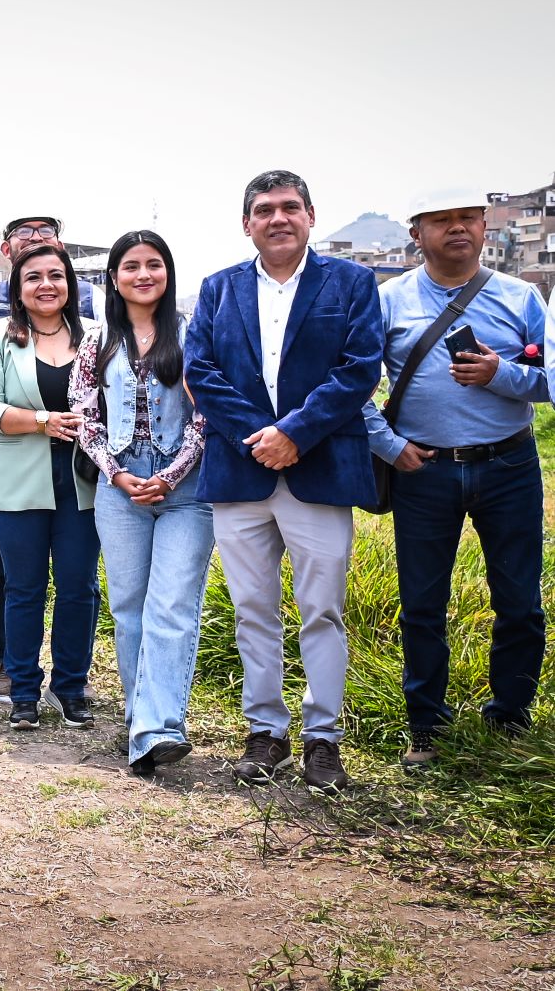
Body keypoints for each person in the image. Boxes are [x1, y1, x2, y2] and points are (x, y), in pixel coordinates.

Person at [185, 170, 382, 794]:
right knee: (252, 610)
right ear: (247, 223)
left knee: (322, 611)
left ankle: (324, 739)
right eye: (264, 210)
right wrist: (264, 437)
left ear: (311, 215)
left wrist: (297, 432)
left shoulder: (350, 283)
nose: (278, 218)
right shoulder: (218, 290)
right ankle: (265, 731)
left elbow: (359, 369)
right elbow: (201, 369)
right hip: (241, 474)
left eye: (289, 207)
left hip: (321, 469)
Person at [365, 189, 551, 769]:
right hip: (424, 471)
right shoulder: (387, 300)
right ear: (416, 233)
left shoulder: (523, 296)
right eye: (441, 220)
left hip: (509, 464)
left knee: (519, 601)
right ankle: (427, 726)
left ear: (482, 225)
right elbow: (352, 386)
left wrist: (502, 374)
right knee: (422, 603)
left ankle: (511, 719)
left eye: (468, 217)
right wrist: (390, 448)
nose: (458, 228)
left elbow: (549, 382)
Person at [71, 231, 211, 776]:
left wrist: (172, 474)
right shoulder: (96, 339)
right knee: (128, 608)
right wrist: (117, 472)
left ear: (169, 273)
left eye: (154, 265)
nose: (143, 274)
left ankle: (161, 726)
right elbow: (85, 413)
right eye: (131, 266)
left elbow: (206, 413)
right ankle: (139, 723)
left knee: (172, 604)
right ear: (113, 277)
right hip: (120, 486)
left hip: (188, 491)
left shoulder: (194, 334)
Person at [0, 214, 105, 702]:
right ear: (17, 286)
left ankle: (71, 687)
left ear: (70, 283)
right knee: (22, 587)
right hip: (15, 477)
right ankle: (23, 690)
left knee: (78, 586)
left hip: (82, 480)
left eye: (55, 276)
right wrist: (44, 421)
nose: (45, 285)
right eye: (33, 277)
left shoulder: (97, 335)